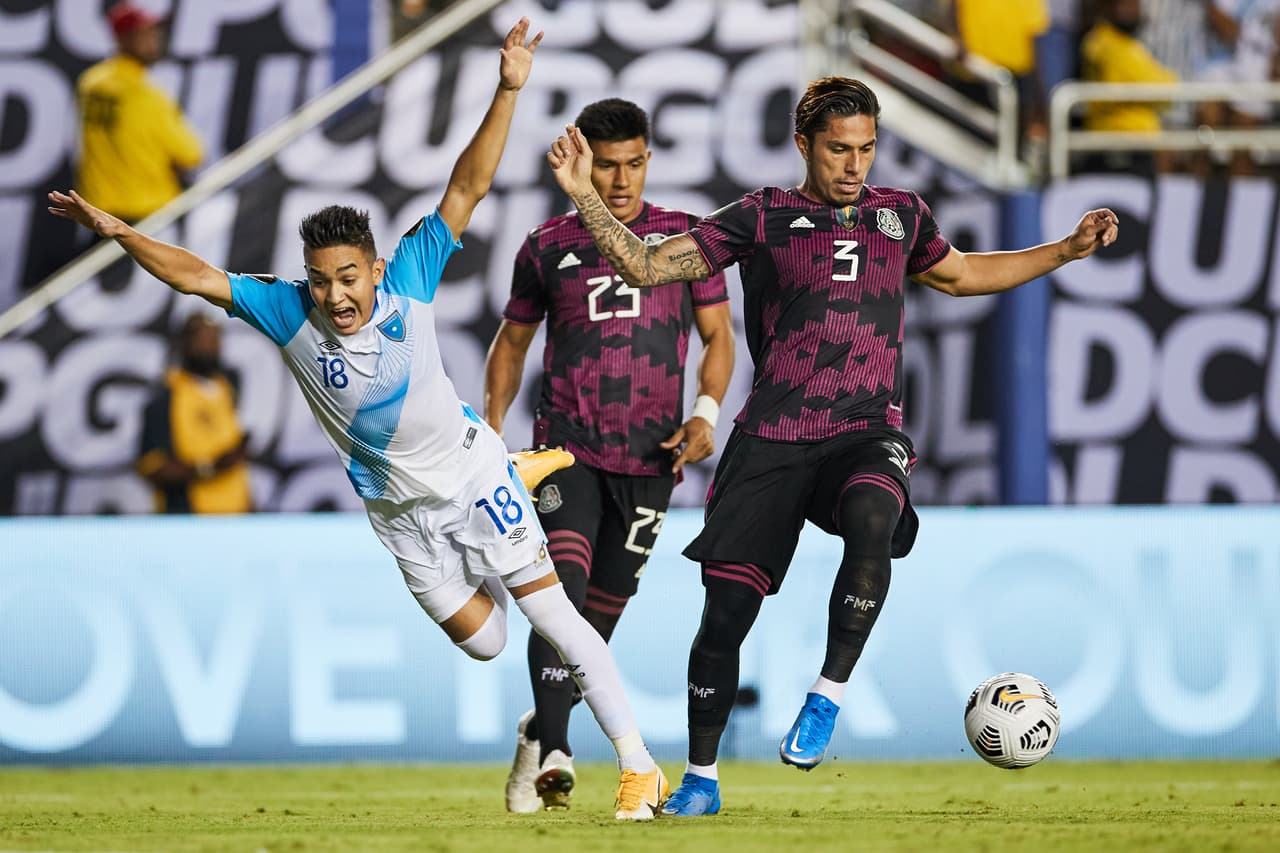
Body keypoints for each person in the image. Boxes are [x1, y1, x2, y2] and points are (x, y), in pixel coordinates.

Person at [50, 18, 670, 821]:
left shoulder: (410, 272)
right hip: (400, 514)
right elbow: (196, 275)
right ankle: (536, 721)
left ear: (375, 268)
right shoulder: (284, 310)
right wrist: (120, 230)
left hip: (473, 479)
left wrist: (508, 88)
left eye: (348, 278)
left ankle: (639, 766)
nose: (336, 297)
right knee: (486, 642)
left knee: (552, 613)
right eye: (321, 282)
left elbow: (467, 187)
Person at [545, 76, 1119, 816]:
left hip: (863, 429)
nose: (855, 164)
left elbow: (965, 273)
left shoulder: (901, 215)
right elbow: (648, 265)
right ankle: (701, 777)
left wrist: (1065, 249)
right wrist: (585, 196)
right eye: (839, 149)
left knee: (875, 517)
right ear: (803, 145)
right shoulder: (763, 216)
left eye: (867, 149)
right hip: (772, 440)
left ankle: (827, 694)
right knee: (724, 616)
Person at [485, 98, 734, 813]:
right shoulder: (546, 244)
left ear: (649, 159)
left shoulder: (685, 237)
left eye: (632, 163)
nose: (620, 180)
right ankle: (559, 753)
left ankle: (541, 725)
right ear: (582, 161)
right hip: (565, 449)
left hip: (651, 459)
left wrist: (705, 413)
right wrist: (494, 441)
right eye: (605, 165)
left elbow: (719, 337)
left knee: (591, 628)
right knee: (554, 594)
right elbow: (512, 342)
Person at [76, 2, 203, 223]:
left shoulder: (91, 81)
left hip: (99, 212)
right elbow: (191, 155)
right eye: (143, 33)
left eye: (154, 31)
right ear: (122, 39)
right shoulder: (146, 95)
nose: (154, 38)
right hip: (146, 216)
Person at [137, 314, 253, 514]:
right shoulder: (166, 396)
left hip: (236, 520)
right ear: (184, 342)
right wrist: (210, 468)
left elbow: (236, 465)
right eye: (202, 338)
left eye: (214, 338)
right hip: (188, 523)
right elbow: (153, 467)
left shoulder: (227, 389)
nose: (209, 345)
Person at [1080, 0, 1180, 173]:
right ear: (1105, 7)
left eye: (1134, 4)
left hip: (1138, 146)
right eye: (1123, 4)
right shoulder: (1104, 44)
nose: (1130, 10)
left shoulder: (1124, 43)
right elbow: (1162, 89)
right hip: (1121, 147)